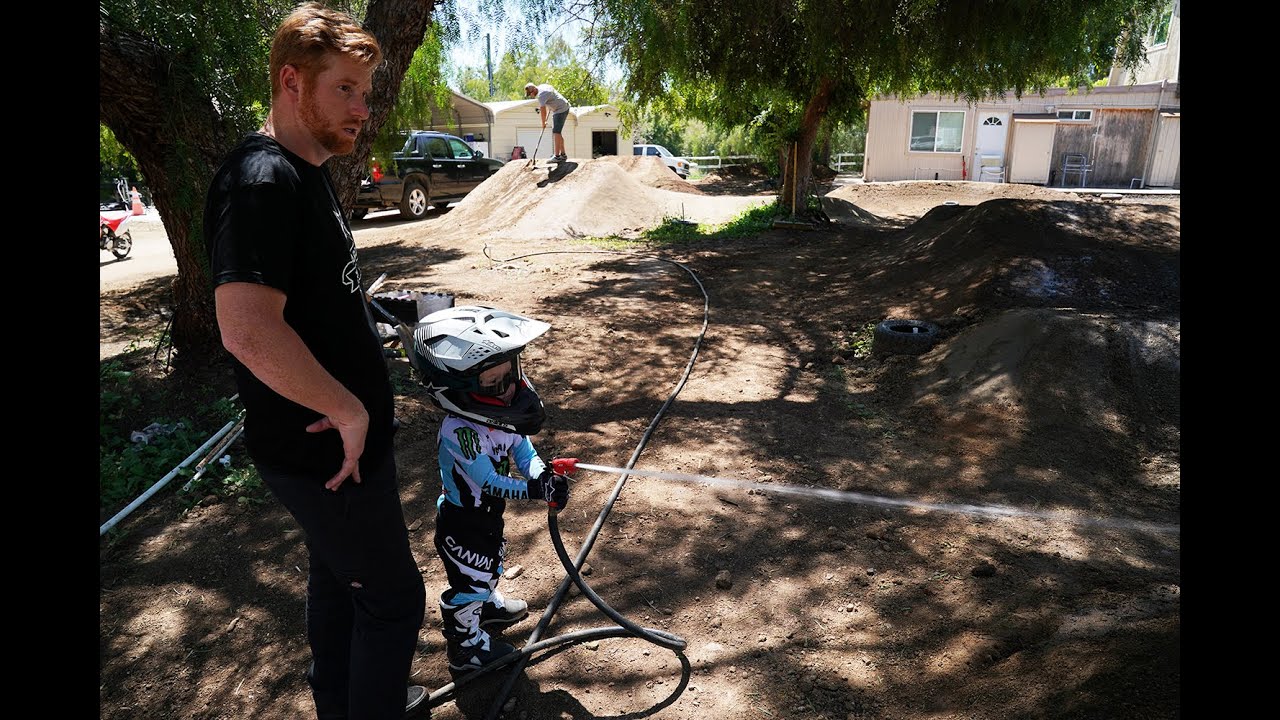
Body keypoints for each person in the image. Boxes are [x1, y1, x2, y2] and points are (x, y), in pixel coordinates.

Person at [203, 3, 427, 717]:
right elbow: (245, 329)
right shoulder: (262, 179)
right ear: (292, 81)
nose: (363, 108)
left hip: (341, 451)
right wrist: (349, 408)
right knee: (394, 603)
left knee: (341, 584)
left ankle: (346, 703)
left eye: (366, 92)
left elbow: (317, 304)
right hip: (325, 452)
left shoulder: (307, 172)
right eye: (345, 89)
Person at [403, 305, 573, 674]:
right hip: (464, 520)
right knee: (470, 580)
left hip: (488, 515)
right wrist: (534, 490)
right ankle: (465, 648)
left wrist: (543, 476)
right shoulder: (461, 432)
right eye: (494, 384)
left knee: (489, 567)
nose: (509, 389)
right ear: (458, 391)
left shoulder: (501, 418)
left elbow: (524, 452)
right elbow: (488, 481)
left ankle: (487, 606)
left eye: (510, 374)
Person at [524, 82, 571, 162]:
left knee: (556, 132)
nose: (531, 96)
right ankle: (563, 154)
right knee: (557, 132)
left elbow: (543, 111)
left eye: (531, 93)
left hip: (561, 109)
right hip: (561, 107)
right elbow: (552, 94)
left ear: (534, 90)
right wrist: (551, 103)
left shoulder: (541, 95)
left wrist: (543, 122)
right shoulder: (543, 86)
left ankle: (557, 156)